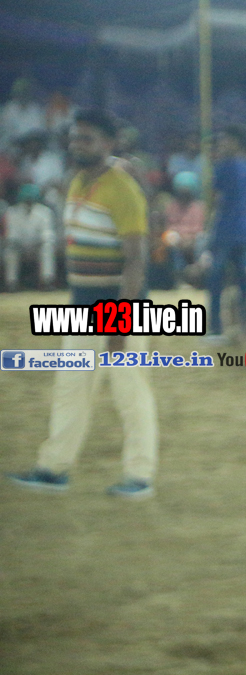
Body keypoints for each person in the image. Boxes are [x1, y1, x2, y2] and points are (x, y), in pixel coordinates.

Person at [6, 109, 157, 499]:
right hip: (81, 308)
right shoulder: (77, 182)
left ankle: (139, 476)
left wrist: (123, 323)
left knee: (129, 391)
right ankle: (53, 468)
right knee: (70, 388)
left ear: (109, 143)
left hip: (119, 310)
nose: (77, 145)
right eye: (74, 138)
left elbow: (136, 261)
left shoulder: (122, 188)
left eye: (87, 139)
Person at [206, 125, 246, 342]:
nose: (222, 145)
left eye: (225, 141)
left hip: (224, 230)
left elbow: (214, 199)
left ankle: (216, 328)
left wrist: (208, 227)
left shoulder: (221, 167)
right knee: (245, 283)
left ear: (236, 142)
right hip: (245, 230)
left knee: (216, 281)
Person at [3, 183, 56, 290]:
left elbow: (47, 234)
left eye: (31, 200)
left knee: (47, 248)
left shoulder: (45, 212)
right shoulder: (12, 212)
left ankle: (47, 281)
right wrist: (19, 244)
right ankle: (11, 283)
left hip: (37, 246)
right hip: (19, 246)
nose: (28, 202)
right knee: (10, 251)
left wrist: (39, 242)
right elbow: (12, 236)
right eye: (26, 200)